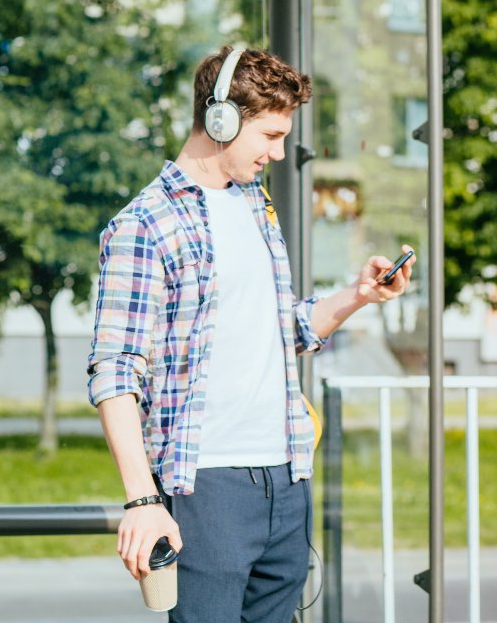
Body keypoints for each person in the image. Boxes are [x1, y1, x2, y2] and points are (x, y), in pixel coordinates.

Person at [87, 46, 415, 623]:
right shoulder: (144, 225)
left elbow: (278, 328)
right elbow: (116, 369)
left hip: (286, 479)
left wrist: (359, 295)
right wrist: (142, 500)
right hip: (206, 490)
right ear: (222, 120)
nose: (279, 152)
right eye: (269, 134)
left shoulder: (255, 206)